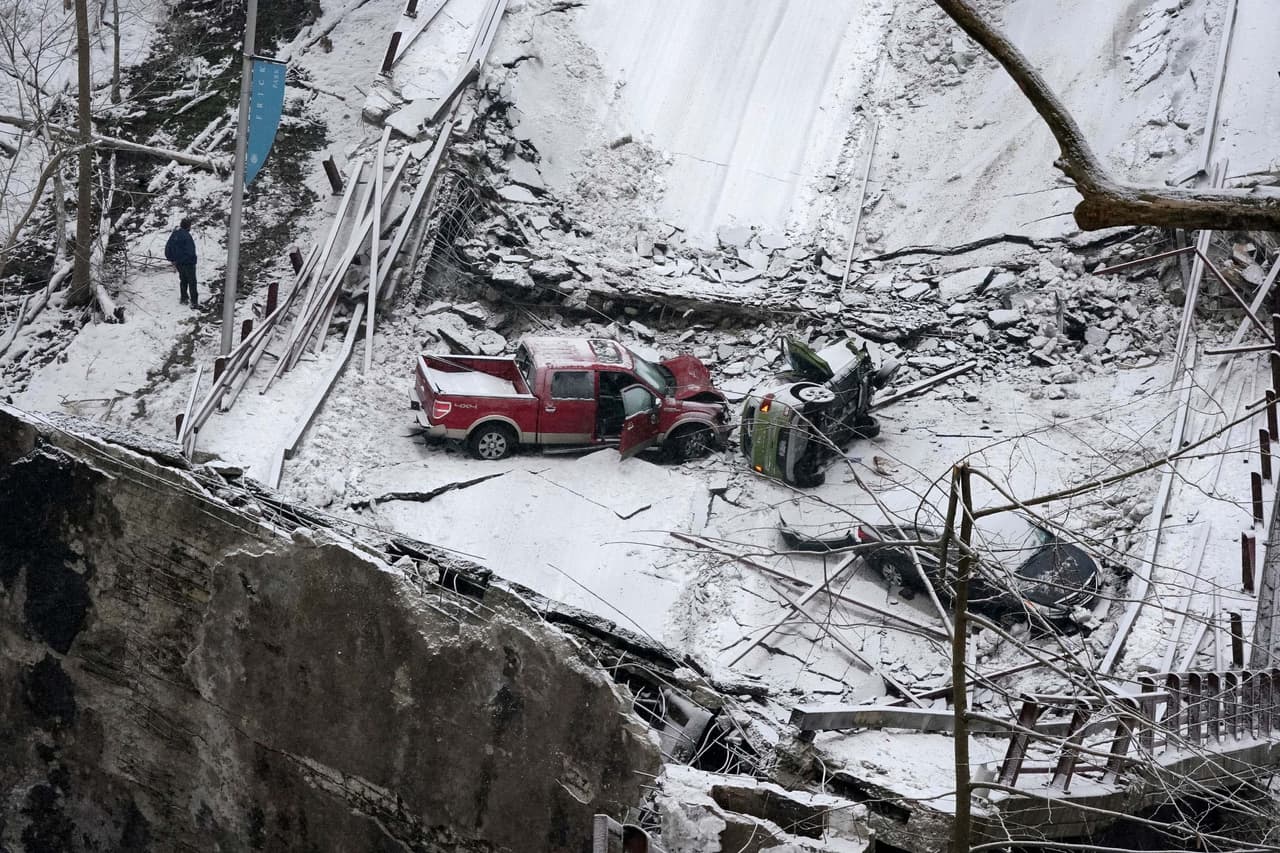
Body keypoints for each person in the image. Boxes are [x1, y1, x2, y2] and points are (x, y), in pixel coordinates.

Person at [164, 218, 198, 307]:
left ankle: (184, 298)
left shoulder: (174, 234)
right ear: (188, 226)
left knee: (183, 280)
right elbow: (190, 251)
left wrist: (172, 259)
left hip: (178, 263)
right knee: (192, 282)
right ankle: (194, 302)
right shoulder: (187, 236)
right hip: (188, 263)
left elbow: (168, 248)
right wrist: (192, 260)